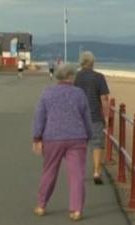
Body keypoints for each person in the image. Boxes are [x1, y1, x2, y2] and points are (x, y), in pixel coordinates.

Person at [32, 64, 92, 221]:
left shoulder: (47, 92)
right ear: (71, 76)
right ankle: (76, 210)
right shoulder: (79, 93)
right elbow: (87, 118)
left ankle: (41, 205)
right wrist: (88, 136)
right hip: (77, 137)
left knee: (49, 171)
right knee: (77, 174)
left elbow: (40, 117)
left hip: (52, 137)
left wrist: (37, 137)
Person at [74, 51, 110, 185]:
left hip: (78, 116)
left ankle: (78, 172)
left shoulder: (76, 77)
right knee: (97, 143)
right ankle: (96, 171)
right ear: (92, 62)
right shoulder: (99, 77)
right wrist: (106, 116)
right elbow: (104, 98)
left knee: (79, 145)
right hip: (95, 115)